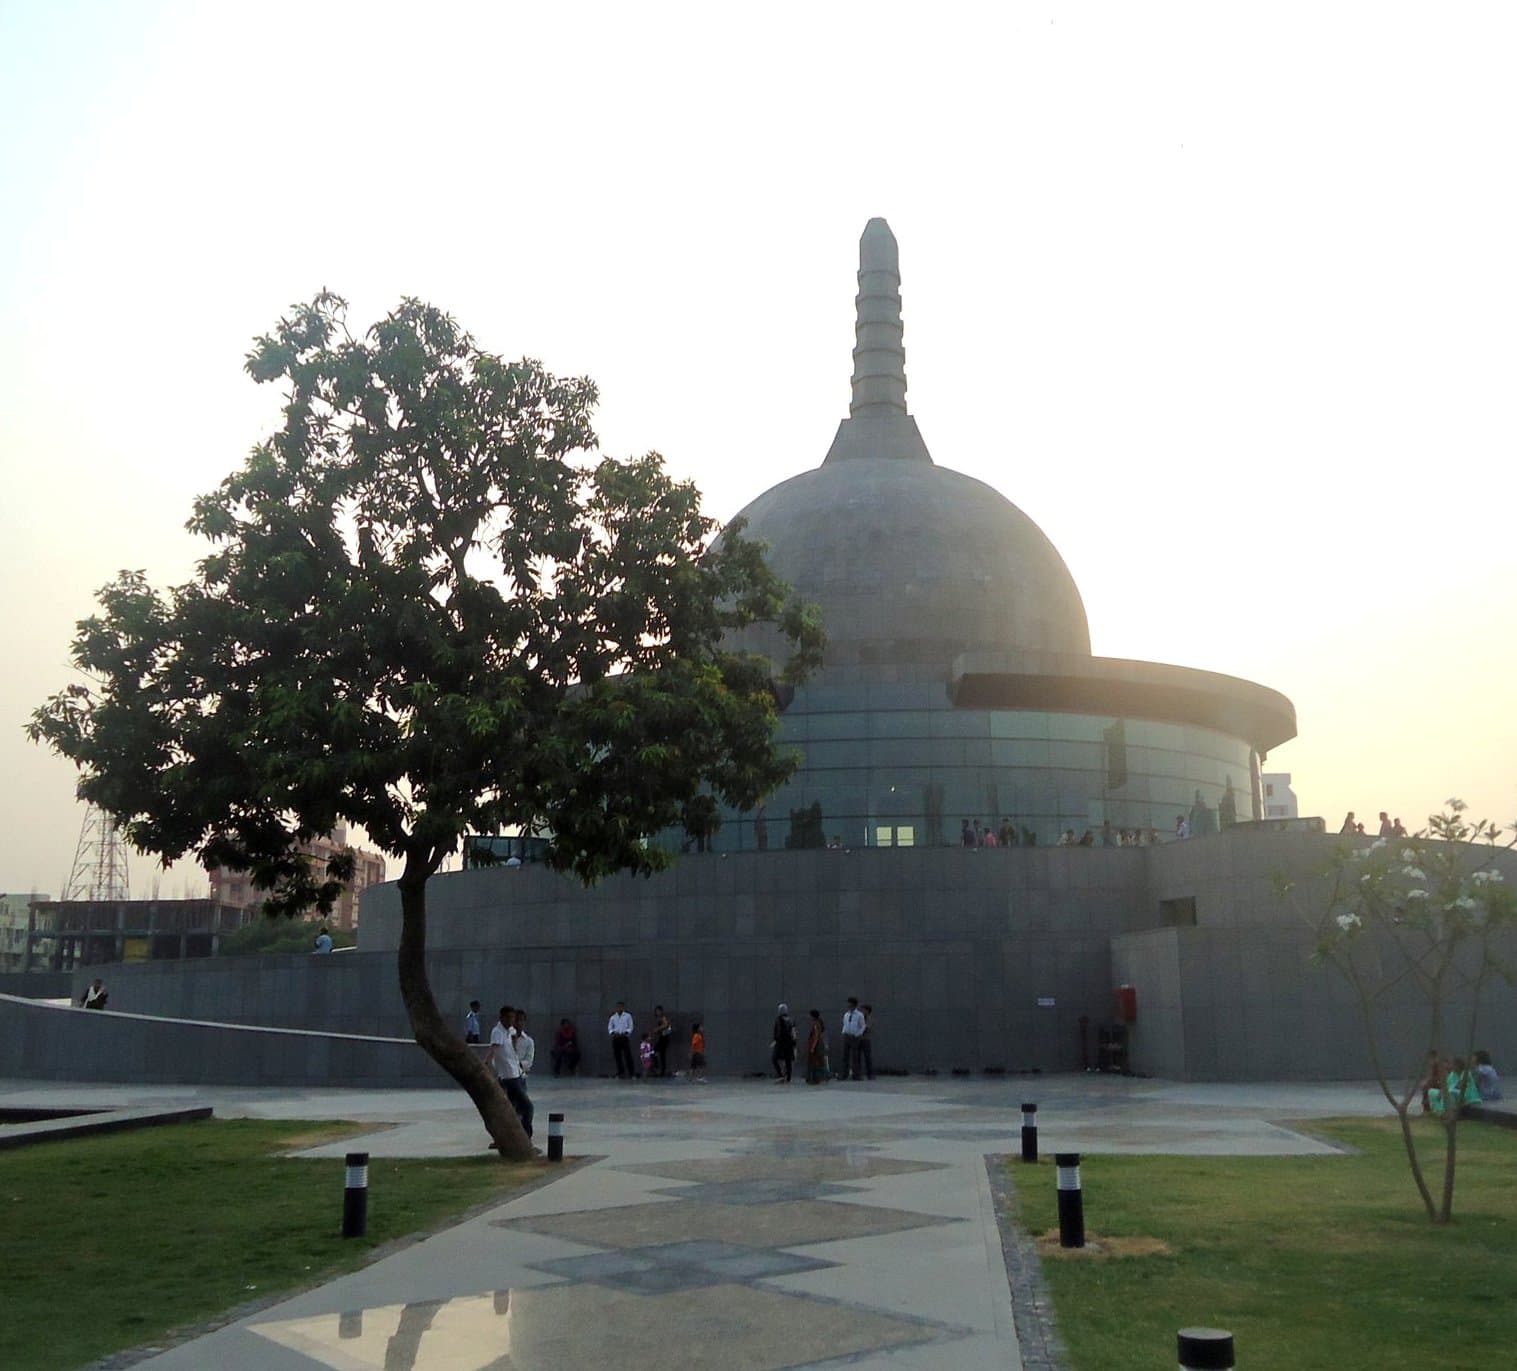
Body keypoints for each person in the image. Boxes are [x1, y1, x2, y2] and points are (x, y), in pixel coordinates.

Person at [486, 1005, 533, 1139]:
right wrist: (486, 1063)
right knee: (527, 1108)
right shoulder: (497, 1032)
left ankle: (511, 1136)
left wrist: (513, 1041)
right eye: (509, 1018)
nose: (512, 1021)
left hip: (517, 1074)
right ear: (502, 1018)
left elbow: (516, 1050)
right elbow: (493, 1049)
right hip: (509, 1077)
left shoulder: (511, 1031)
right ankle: (525, 1137)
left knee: (511, 1109)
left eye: (513, 1018)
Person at [839, 997, 865, 1080]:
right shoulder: (846, 1014)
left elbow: (862, 1026)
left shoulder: (859, 1015)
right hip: (846, 1036)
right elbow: (845, 1024)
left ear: (854, 1004)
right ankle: (844, 1074)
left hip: (855, 1037)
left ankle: (856, 1075)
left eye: (849, 1003)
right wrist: (843, 1032)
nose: (848, 1005)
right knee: (845, 1056)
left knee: (855, 1057)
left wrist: (858, 1034)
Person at [608, 1001, 635, 1079]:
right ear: (616, 1008)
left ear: (623, 1007)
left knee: (628, 1055)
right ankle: (620, 1072)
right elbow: (610, 1027)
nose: (619, 1008)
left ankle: (632, 1073)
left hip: (624, 1037)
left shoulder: (628, 1016)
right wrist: (613, 1033)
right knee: (617, 1056)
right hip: (616, 1038)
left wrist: (626, 1033)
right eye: (618, 1007)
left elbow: (631, 1026)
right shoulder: (613, 1017)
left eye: (621, 1007)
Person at [772, 1003, 797, 1083]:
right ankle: (788, 1077)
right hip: (789, 1043)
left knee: (775, 1059)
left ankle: (781, 1075)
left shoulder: (779, 1020)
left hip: (781, 1043)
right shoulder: (790, 1020)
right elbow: (794, 1032)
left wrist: (776, 1040)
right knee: (788, 1061)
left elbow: (778, 1032)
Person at [805, 1009, 830, 1085]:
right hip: (818, 1044)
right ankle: (823, 1076)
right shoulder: (819, 1023)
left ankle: (817, 1078)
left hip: (816, 1045)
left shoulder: (816, 1024)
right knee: (820, 1061)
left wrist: (813, 1047)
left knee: (816, 1062)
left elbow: (816, 1036)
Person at [513, 1010, 535, 1077]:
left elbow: (529, 1062)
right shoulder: (504, 1038)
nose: (519, 1023)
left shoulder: (529, 1041)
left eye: (522, 1020)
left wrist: (516, 1066)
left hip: (520, 1075)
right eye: (516, 1020)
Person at [653, 1004, 673, 1077]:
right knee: (661, 1055)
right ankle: (661, 1070)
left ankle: (659, 1069)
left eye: (658, 1011)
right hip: (663, 1037)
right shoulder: (661, 1018)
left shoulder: (663, 1017)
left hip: (664, 1038)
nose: (657, 1013)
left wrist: (658, 1029)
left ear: (661, 1011)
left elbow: (666, 1025)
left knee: (656, 1051)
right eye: (656, 1011)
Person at [859, 1004, 875, 1080]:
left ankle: (870, 1074)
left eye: (863, 1010)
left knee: (867, 1057)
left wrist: (859, 1030)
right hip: (858, 1039)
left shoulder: (870, 1019)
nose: (862, 1012)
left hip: (866, 1039)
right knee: (857, 1057)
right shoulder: (860, 1018)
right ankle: (858, 1074)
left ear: (867, 1011)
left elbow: (866, 1028)